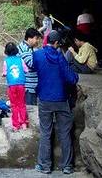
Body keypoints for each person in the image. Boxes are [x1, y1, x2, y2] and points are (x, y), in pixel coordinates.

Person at [31, 30, 78, 175]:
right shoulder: (60, 57)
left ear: (47, 40)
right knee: (65, 133)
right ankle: (67, 166)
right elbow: (71, 79)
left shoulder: (37, 54)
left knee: (45, 132)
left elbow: (35, 69)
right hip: (61, 99)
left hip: (44, 99)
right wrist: (75, 75)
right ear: (57, 43)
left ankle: (44, 166)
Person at [3, 42, 29, 130]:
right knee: (22, 103)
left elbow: (5, 72)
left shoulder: (6, 61)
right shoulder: (20, 59)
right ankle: (24, 123)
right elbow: (26, 70)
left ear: (6, 51)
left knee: (14, 105)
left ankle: (16, 125)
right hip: (21, 84)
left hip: (12, 85)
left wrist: (4, 74)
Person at [18, 27, 41, 105]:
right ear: (29, 38)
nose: (38, 41)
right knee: (31, 111)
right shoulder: (25, 49)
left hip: (30, 85)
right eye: (36, 38)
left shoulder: (26, 47)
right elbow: (32, 64)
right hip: (28, 86)